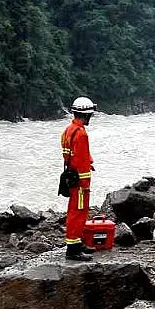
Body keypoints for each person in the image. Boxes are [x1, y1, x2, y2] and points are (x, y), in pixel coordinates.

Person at [60, 97, 97, 261]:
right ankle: (73, 249)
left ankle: (77, 243)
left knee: (74, 211)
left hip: (71, 175)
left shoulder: (68, 130)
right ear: (86, 115)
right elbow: (80, 161)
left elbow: (70, 155)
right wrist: (85, 184)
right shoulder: (81, 133)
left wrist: (89, 162)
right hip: (80, 181)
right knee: (78, 213)